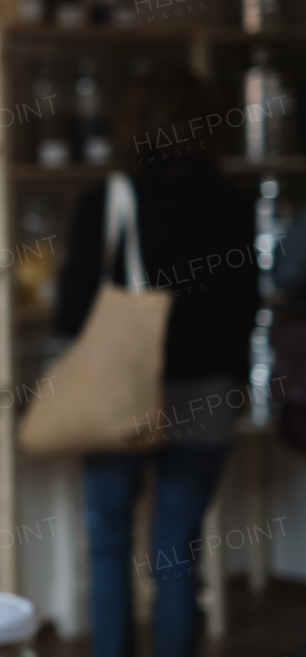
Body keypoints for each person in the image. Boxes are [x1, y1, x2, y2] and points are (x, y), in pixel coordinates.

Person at [55, 65, 259, 657]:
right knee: (178, 551)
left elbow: (72, 315)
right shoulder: (232, 207)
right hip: (206, 395)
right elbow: (245, 311)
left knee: (110, 541)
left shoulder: (105, 204)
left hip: (118, 395)